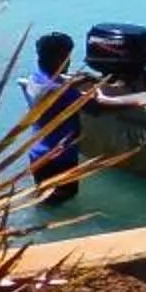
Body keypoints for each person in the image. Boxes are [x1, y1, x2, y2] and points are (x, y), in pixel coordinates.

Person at [21, 31, 90, 207]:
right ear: (58, 58)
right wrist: (139, 101)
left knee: (45, 204)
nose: (69, 61)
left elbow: (55, 88)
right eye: (66, 56)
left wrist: (77, 81)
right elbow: (97, 108)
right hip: (59, 157)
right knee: (63, 205)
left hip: (38, 153)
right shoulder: (60, 92)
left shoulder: (35, 79)